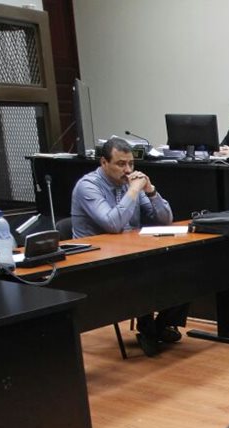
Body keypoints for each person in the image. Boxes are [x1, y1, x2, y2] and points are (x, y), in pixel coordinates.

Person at [71, 136, 187, 356]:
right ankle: (149, 329)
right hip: (95, 259)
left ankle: (158, 327)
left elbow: (165, 219)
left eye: (131, 164)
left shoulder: (128, 184)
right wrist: (134, 190)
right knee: (144, 272)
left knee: (183, 265)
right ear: (104, 163)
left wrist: (150, 190)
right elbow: (112, 224)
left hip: (130, 251)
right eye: (120, 164)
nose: (127, 170)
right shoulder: (87, 186)